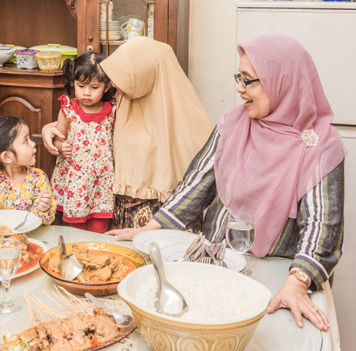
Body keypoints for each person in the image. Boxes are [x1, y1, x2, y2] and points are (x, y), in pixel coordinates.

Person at [108, 34, 345, 332]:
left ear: (281, 81)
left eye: (249, 80)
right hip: (216, 269)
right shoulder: (233, 123)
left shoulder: (319, 146)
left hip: (278, 280)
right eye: (239, 77)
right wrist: (150, 228)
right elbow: (197, 183)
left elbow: (323, 227)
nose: (239, 89)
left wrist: (297, 283)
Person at [43, 37, 212, 230]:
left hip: (162, 217)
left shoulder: (184, 113)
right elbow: (86, 126)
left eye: (123, 77)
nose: (113, 84)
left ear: (144, 74)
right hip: (107, 207)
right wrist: (49, 129)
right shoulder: (121, 99)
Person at [49, 51, 117, 233]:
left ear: (107, 86)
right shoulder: (68, 109)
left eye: (94, 87)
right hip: (75, 181)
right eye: (81, 86)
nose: (86, 93)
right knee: (76, 230)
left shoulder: (112, 109)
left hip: (101, 181)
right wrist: (61, 147)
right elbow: (57, 137)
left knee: (99, 228)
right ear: (73, 84)